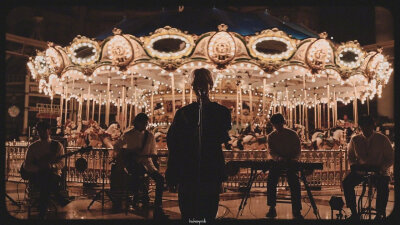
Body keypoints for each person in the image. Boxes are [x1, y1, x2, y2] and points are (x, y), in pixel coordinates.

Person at [166, 68, 231, 222]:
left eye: (204, 83)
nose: (201, 87)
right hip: (192, 166)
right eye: (198, 84)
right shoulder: (185, 113)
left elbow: (174, 143)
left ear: (210, 86)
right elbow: (173, 143)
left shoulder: (219, 112)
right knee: (191, 209)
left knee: (204, 209)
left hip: (204, 166)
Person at [112, 113, 168, 219]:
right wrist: (128, 152)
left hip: (147, 163)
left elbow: (153, 152)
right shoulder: (128, 134)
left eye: (146, 123)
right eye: (143, 122)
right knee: (138, 177)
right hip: (133, 164)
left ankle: (158, 204)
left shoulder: (150, 136)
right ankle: (139, 197)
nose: (145, 125)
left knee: (160, 179)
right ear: (137, 122)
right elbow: (117, 145)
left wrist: (152, 156)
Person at [342, 115, 394, 220]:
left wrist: (382, 168)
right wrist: (353, 165)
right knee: (346, 183)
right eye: (363, 127)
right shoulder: (355, 139)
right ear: (360, 127)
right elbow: (350, 156)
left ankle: (380, 213)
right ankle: (353, 212)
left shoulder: (382, 139)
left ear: (372, 126)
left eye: (367, 126)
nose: (365, 129)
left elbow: (390, 158)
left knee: (383, 187)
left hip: (379, 171)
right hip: (361, 170)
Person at [23, 120, 70, 219]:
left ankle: (42, 210)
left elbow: (62, 163)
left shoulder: (57, 146)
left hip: (53, 175)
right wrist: (39, 168)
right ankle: (59, 198)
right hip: (38, 175)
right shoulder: (33, 147)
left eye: (43, 130)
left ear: (49, 131)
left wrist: (51, 167)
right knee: (46, 180)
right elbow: (27, 166)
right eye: (39, 130)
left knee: (47, 180)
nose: (41, 132)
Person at [265, 113, 303, 219]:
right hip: (278, 162)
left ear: (283, 123)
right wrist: (278, 158)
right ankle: (272, 207)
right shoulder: (271, 136)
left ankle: (297, 209)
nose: (278, 126)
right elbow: (271, 151)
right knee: (271, 181)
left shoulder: (292, 134)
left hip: (291, 161)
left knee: (294, 183)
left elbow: (298, 149)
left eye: (279, 124)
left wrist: (294, 159)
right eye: (275, 124)